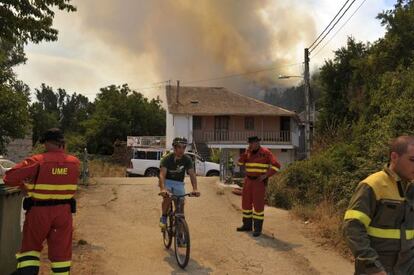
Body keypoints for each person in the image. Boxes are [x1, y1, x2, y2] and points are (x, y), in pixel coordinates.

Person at [3, 128, 80, 275]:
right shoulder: (74, 163)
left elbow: (9, 178)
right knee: (62, 254)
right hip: (64, 213)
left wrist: (23, 186)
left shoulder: (37, 161)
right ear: (62, 143)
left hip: (39, 212)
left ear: (46, 142)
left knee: (30, 251)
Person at [343, 136, 414, 275]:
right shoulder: (372, 185)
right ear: (394, 157)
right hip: (378, 269)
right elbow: (352, 228)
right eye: (412, 160)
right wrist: (371, 266)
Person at [236, 136, 281, 237]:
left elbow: (277, 165)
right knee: (246, 204)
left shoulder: (266, 152)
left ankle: (257, 229)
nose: (250, 145)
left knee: (258, 206)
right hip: (248, 181)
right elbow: (239, 163)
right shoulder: (247, 152)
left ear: (257, 143)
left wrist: (266, 175)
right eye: (249, 143)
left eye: (251, 143)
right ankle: (247, 225)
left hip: (258, 182)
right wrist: (245, 153)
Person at [159, 137, 200, 228]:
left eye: (184, 147)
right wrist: (163, 188)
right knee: (168, 197)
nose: (181, 150)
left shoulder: (187, 159)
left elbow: (192, 174)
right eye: (179, 147)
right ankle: (164, 216)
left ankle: (180, 231)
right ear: (174, 147)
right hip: (167, 181)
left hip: (179, 183)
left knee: (181, 205)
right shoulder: (167, 159)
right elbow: (162, 175)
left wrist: (195, 188)